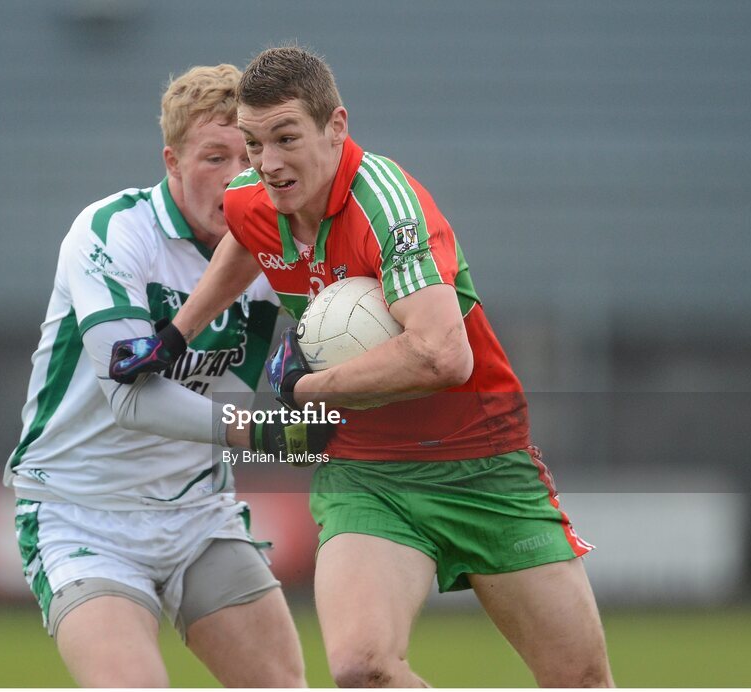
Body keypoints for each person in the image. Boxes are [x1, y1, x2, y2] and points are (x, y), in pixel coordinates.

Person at [110, 47, 614, 688]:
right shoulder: (258, 194)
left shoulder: (389, 207)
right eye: (254, 142)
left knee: (579, 681)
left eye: (287, 138)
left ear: (335, 127)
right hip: (367, 472)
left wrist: (307, 385)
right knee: (360, 668)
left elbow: (443, 354)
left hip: (482, 464)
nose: (268, 163)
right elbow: (246, 230)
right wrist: (177, 334)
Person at [4, 63, 314, 688]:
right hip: (83, 511)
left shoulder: (279, 245)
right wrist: (265, 431)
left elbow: (342, 340)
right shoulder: (111, 233)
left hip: (198, 510)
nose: (235, 178)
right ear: (171, 161)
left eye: (248, 156)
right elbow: (132, 402)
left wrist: (327, 398)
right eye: (212, 157)